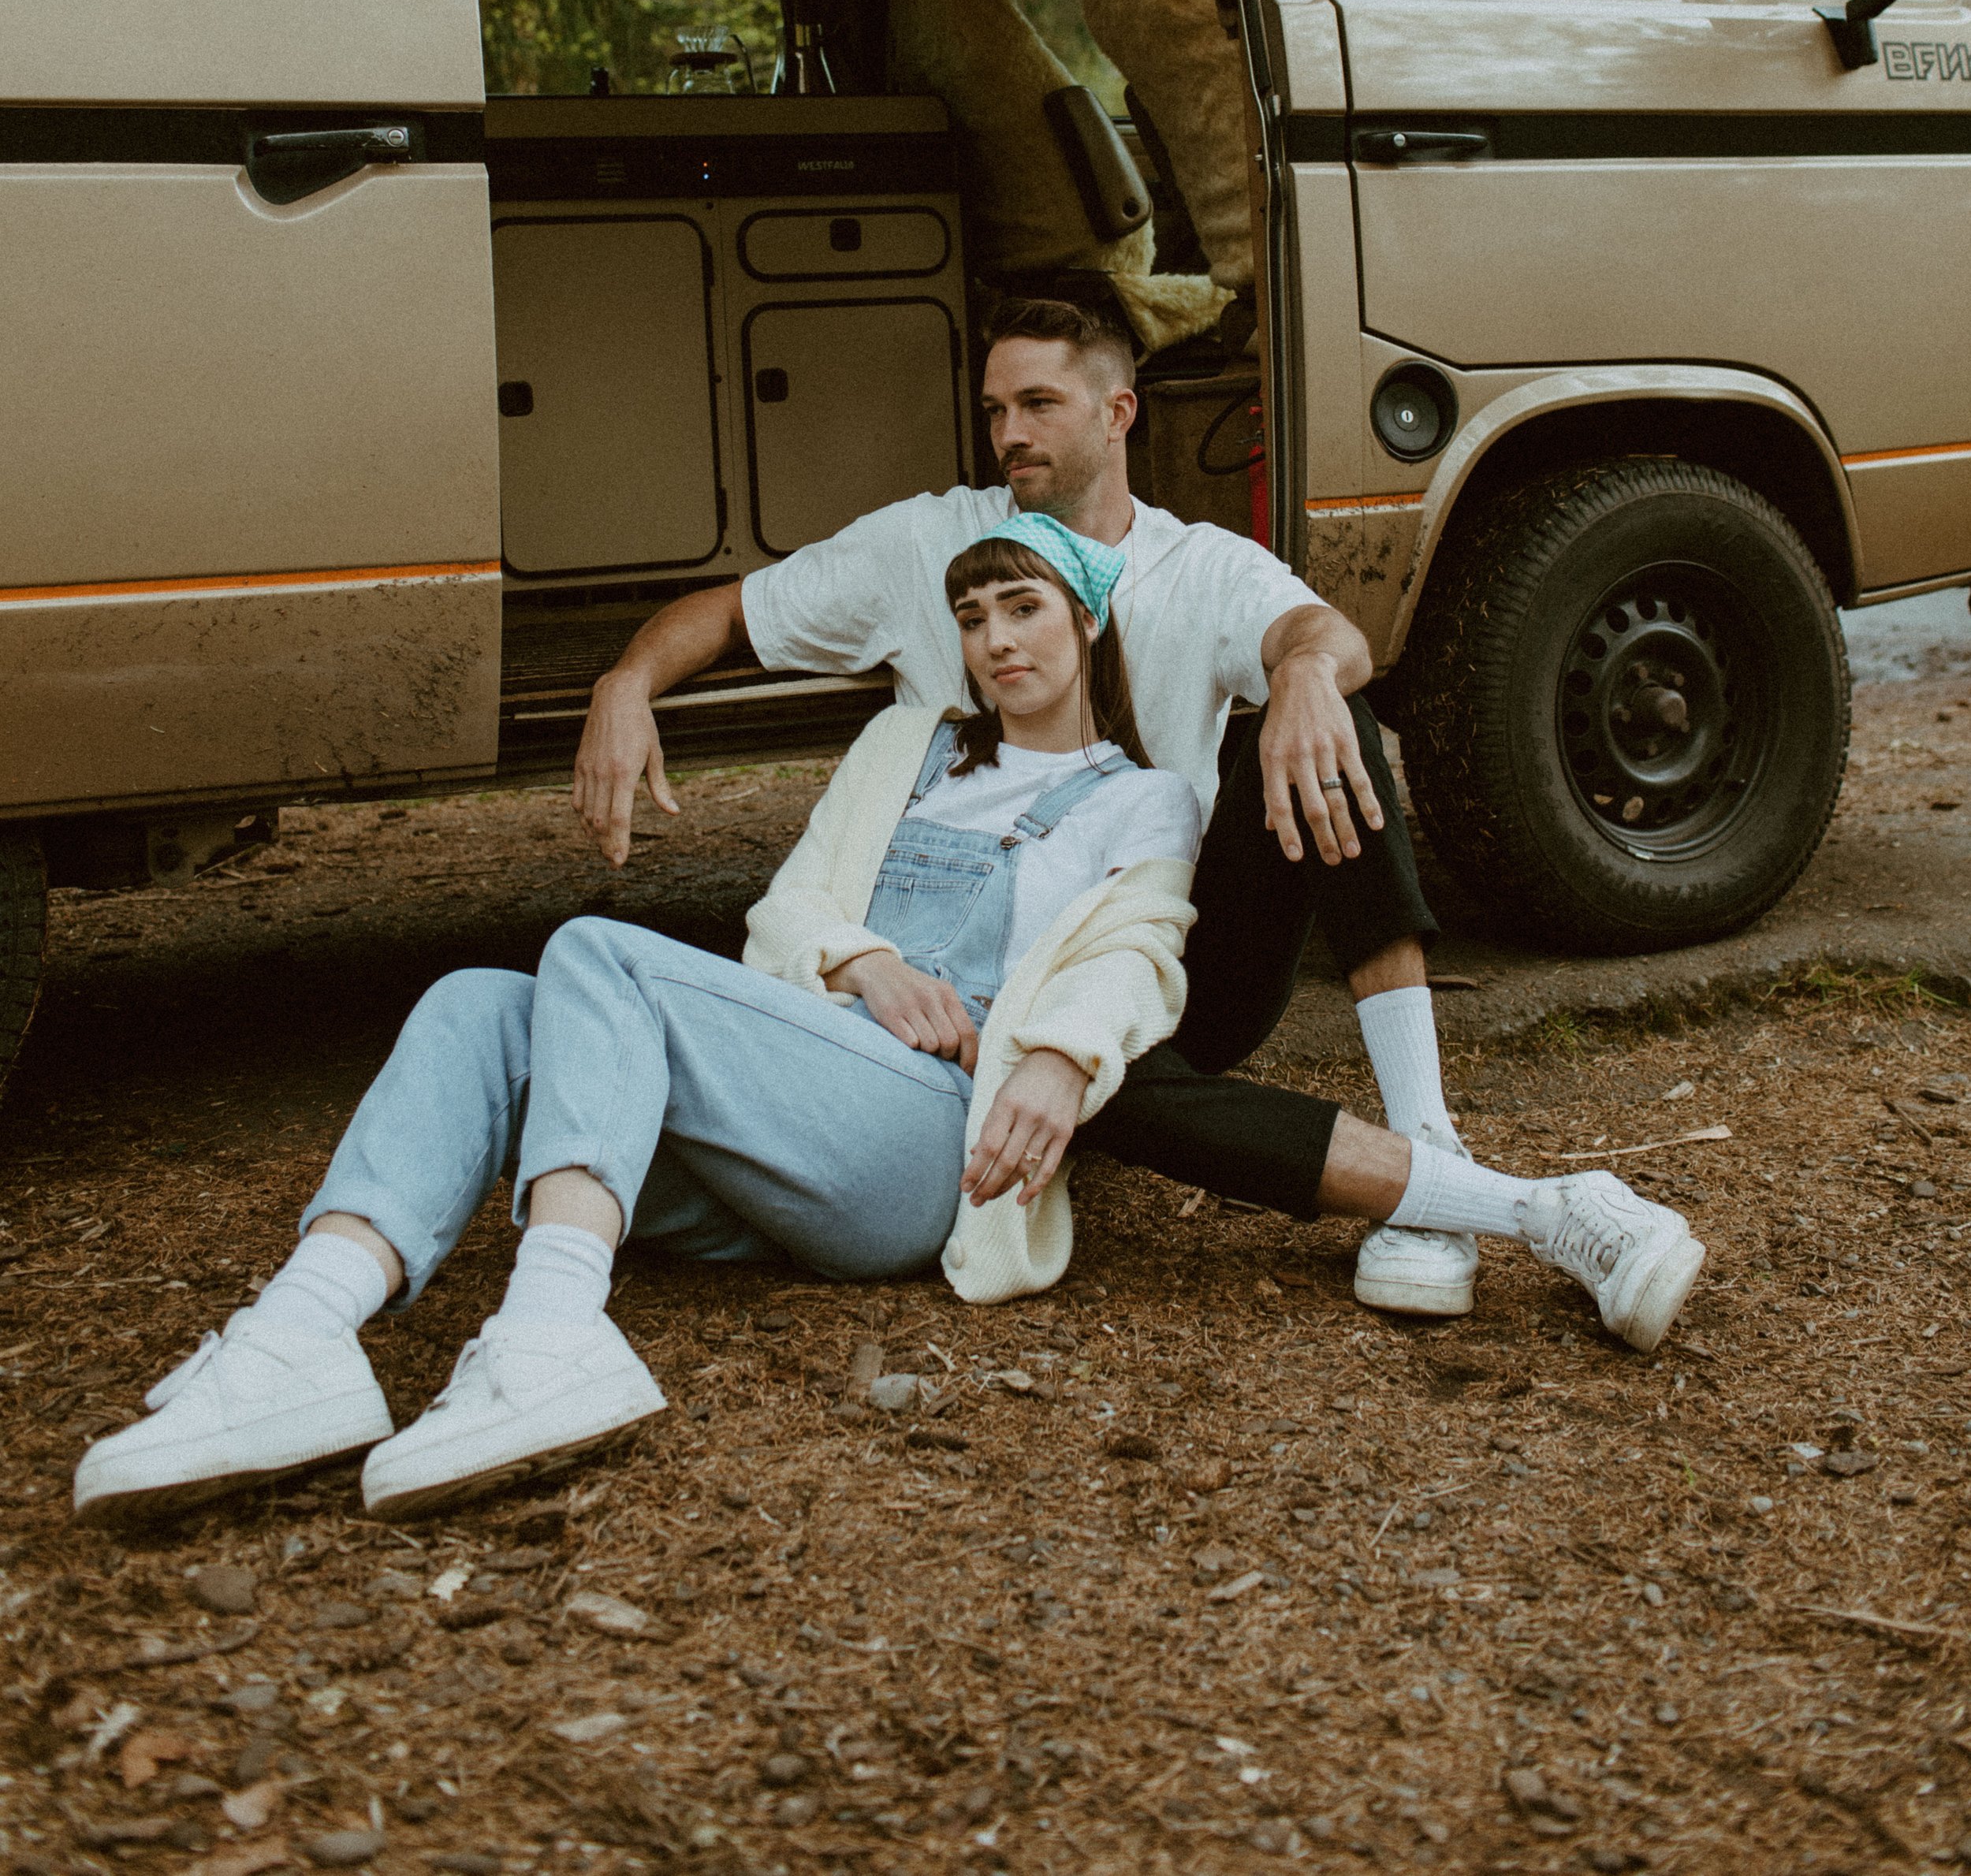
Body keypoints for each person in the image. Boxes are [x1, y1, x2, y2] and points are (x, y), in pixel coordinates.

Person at [569, 294, 1704, 1346]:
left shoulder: (1194, 565)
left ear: (1118, 413)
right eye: (995, 410)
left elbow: (1327, 637)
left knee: (1322, 722)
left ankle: (1430, 1142)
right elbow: (725, 612)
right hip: (989, 985)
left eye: (1038, 404)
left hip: (1165, 944)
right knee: (1103, 1085)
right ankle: (1495, 1201)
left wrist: (1307, 674)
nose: (1008, 432)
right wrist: (625, 682)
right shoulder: (927, 543)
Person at [71, 521, 1198, 1524]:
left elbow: (1139, 954)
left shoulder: (1140, 795)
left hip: (924, 1143)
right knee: (477, 1005)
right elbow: (785, 913)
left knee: (599, 951)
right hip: (783, 1124)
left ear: (1087, 619)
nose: (996, 639)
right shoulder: (907, 747)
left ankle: (554, 1331)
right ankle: (301, 1336)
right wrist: (865, 959)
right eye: (971, 616)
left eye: (1024, 607)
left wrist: (1058, 1059)